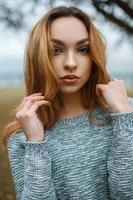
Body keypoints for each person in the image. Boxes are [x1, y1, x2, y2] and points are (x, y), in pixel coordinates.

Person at [2, 6, 133, 200]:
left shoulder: (126, 114)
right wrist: (36, 143)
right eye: (56, 50)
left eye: (83, 49)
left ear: (94, 55)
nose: (70, 63)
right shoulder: (23, 137)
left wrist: (123, 116)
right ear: (38, 57)